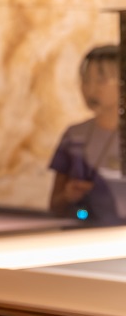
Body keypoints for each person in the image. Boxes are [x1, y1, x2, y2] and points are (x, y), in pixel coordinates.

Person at [49, 44, 125, 225]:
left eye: (101, 80)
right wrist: (68, 196)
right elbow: (54, 205)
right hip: (80, 234)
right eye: (86, 80)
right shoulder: (74, 135)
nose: (91, 88)